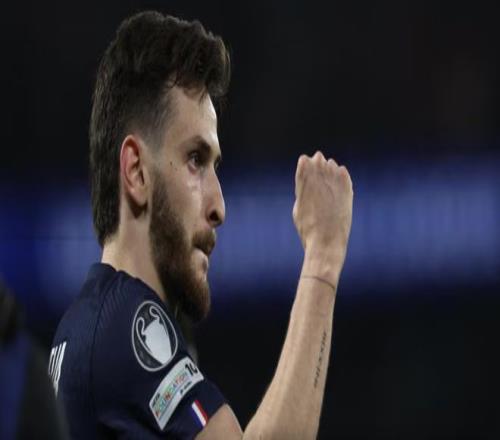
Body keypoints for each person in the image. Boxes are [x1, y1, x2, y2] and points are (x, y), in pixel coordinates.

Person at [50, 10, 353, 439]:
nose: (219, 206)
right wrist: (323, 257)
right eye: (195, 160)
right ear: (136, 171)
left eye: (215, 166)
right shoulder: (126, 327)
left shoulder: (88, 326)